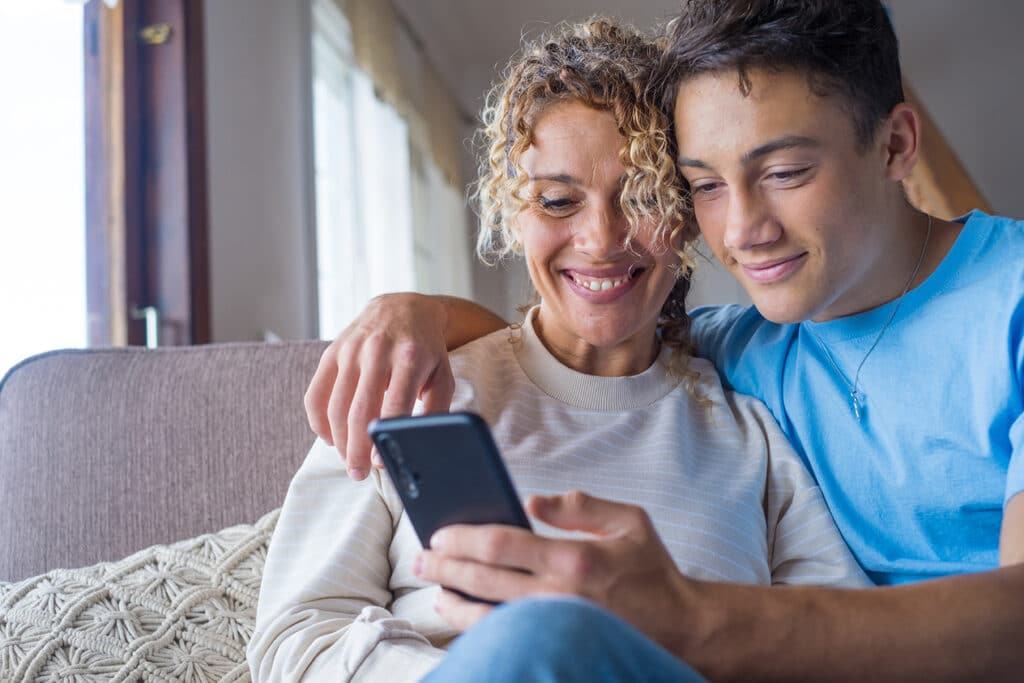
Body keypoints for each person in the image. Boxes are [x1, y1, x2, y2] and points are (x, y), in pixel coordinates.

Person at [303, 1, 1024, 681]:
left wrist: (689, 618)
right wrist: (412, 313)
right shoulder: (750, 347)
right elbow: (579, 357)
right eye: (705, 184)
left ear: (896, 143)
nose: (743, 229)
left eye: (784, 172)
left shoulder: (995, 302)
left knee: (543, 636)